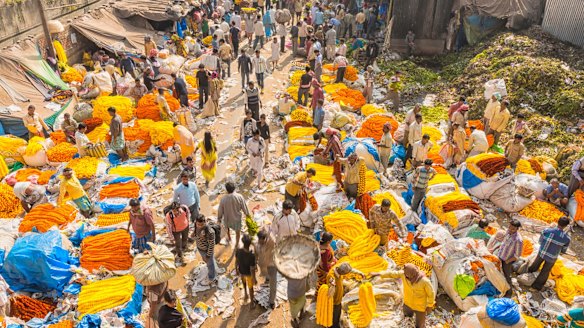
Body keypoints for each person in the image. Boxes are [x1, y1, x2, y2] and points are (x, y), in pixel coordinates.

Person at [371, 264, 435, 328]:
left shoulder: (424, 281)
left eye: (407, 275)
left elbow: (431, 294)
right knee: (407, 315)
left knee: (419, 325)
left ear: (413, 275)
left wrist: (429, 305)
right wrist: (378, 273)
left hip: (420, 307)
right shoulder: (404, 275)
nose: (405, 276)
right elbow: (392, 274)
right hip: (407, 303)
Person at [528, 216, 571, 291]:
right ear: (566, 226)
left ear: (557, 222)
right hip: (552, 257)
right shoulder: (566, 238)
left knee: (535, 264)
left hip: (542, 252)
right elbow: (563, 250)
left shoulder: (547, 230)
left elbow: (540, 241)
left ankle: (529, 274)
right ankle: (535, 287)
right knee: (545, 271)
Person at [326, 263, 366, 328]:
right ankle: (332, 326)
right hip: (334, 301)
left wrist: (359, 272)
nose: (346, 275)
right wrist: (332, 285)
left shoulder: (339, 268)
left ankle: (335, 324)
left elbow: (350, 270)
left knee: (337, 314)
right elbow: (330, 293)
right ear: (342, 272)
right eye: (345, 273)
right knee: (334, 315)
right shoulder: (331, 276)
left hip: (339, 298)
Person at [493, 219, 523, 297]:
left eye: (513, 228)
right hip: (500, 255)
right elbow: (504, 243)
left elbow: (517, 255)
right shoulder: (507, 231)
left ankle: (509, 293)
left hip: (507, 260)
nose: (510, 229)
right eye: (510, 227)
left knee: (507, 276)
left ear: (517, 229)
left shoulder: (518, 240)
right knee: (499, 272)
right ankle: (500, 287)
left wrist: (508, 261)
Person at [255, 229, 277, 309]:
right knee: (267, 276)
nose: (260, 242)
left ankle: (272, 302)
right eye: (259, 240)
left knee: (273, 285)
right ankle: (267, 279)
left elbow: (270, 234)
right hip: (264, 267)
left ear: (265, 239)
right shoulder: (257, 245)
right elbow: (256, 255)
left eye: (262, 240)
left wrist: (267, 233)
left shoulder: (270, 243)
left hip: (272, 266)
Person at [194, 215, 217, 285]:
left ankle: (211, 278)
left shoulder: (210, 232)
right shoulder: (196, 226)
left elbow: (211, 245)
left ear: (205, 222)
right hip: (200, 248)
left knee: (210, 264)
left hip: (206, 251)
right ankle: (210, 268)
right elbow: (196, 232)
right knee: (206, 262)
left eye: (201, 225)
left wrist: (208, 255)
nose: (199, 226)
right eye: (198, 224)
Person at [236, 234, 257, 306]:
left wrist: (236, 269)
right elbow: (252, 269)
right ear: (250, 244)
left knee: (244, 282)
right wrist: (254, 278)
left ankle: (245, 293)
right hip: (249, 274)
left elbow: (236, 261)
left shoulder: (238, 251)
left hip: (241, 272)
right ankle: (251, 303)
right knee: (251, 288)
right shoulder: (251, 255)